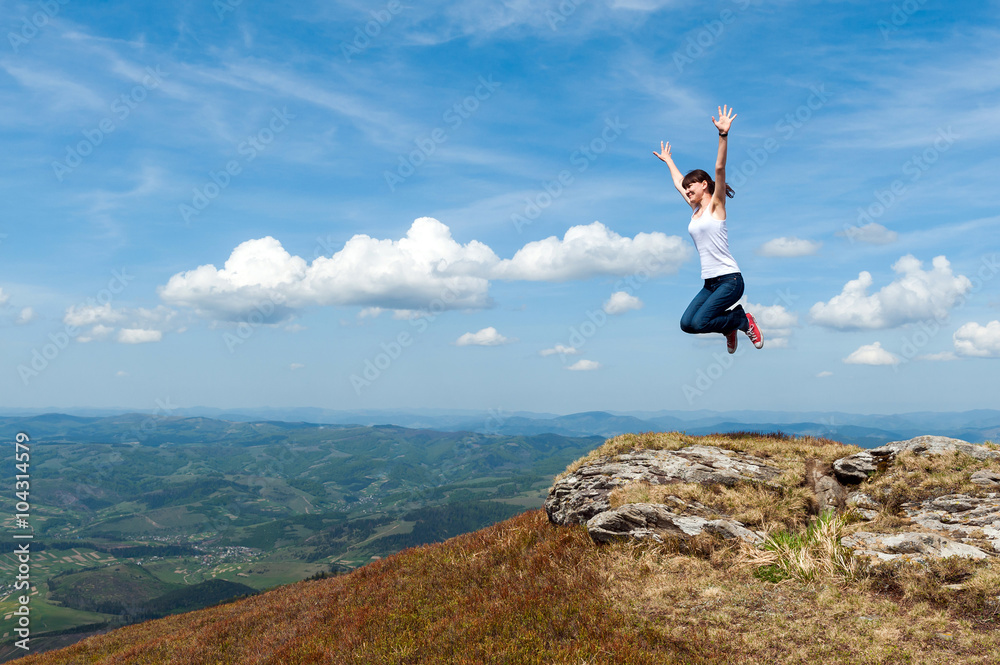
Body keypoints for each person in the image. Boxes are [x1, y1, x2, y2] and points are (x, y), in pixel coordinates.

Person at [653, 104, 763, 354]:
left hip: (730, 280)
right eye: (686, 188)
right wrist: (669, 161)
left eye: (692, 186)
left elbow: (719, 169)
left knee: (701, 321)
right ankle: (730, 326)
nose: (687, 190)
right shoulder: (695, 211)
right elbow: (677, 185)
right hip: (710, 283)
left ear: (705, 185)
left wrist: (723, 135)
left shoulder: (716, 206)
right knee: (687, 324)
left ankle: (740, 320)